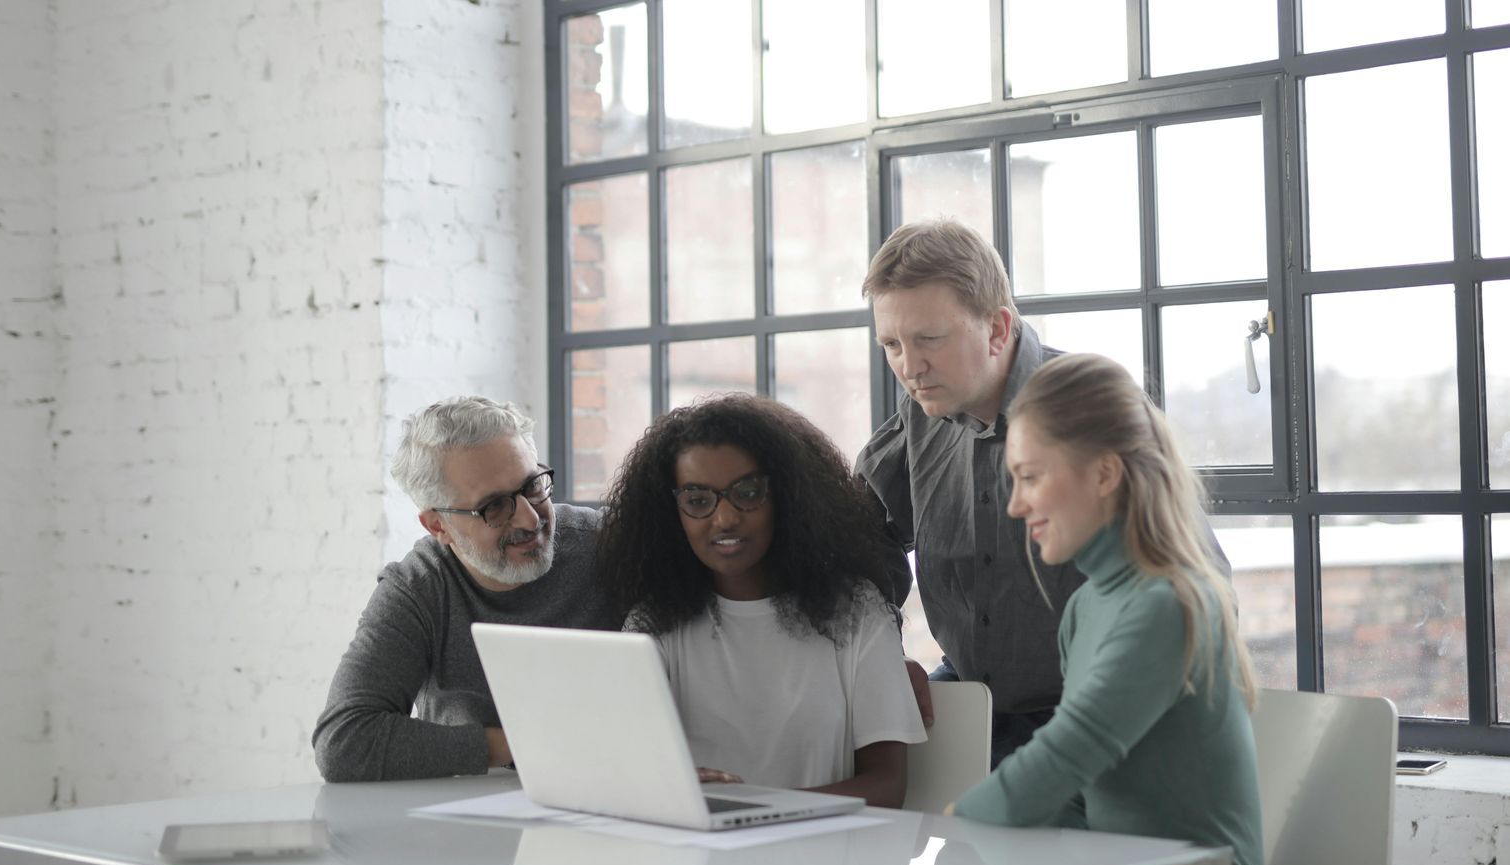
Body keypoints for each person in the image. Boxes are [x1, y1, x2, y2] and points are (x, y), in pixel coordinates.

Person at [951, 353, 1265, 865]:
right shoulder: (1084, 608)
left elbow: (1072, 749)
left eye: (1030, 476)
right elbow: (1081, 789)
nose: (1017, 506)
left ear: (1103, 473)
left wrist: (961, 821)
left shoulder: (1169, 604)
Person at [596, 394, 927, 808]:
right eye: (698, 501)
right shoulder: (654, 625)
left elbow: (887, 786)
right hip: (701, 862)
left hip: (828, 861)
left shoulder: (856, 611)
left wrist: (752, 809)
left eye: (747, 493)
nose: (725, 518)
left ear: (786, 496)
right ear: (671, 513)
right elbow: (630, 775)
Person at [855, 218, 1082, 767]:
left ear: (999, 329)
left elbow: (1192, 589)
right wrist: (884, 659)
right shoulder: (922, 409)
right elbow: (857, 538)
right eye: (892, 344)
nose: (909, 368)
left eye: (930, 339)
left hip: (1086, 719)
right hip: (967, 701)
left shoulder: (1090, 410)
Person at [312, 396, 617, 781]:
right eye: (494, 507)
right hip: (471, 819)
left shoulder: (606, 545)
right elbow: (343, 743)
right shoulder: (418, 589)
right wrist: (529, 744)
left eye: (533, 486)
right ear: (438, 526)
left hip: (612, 796)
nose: (529, 517)